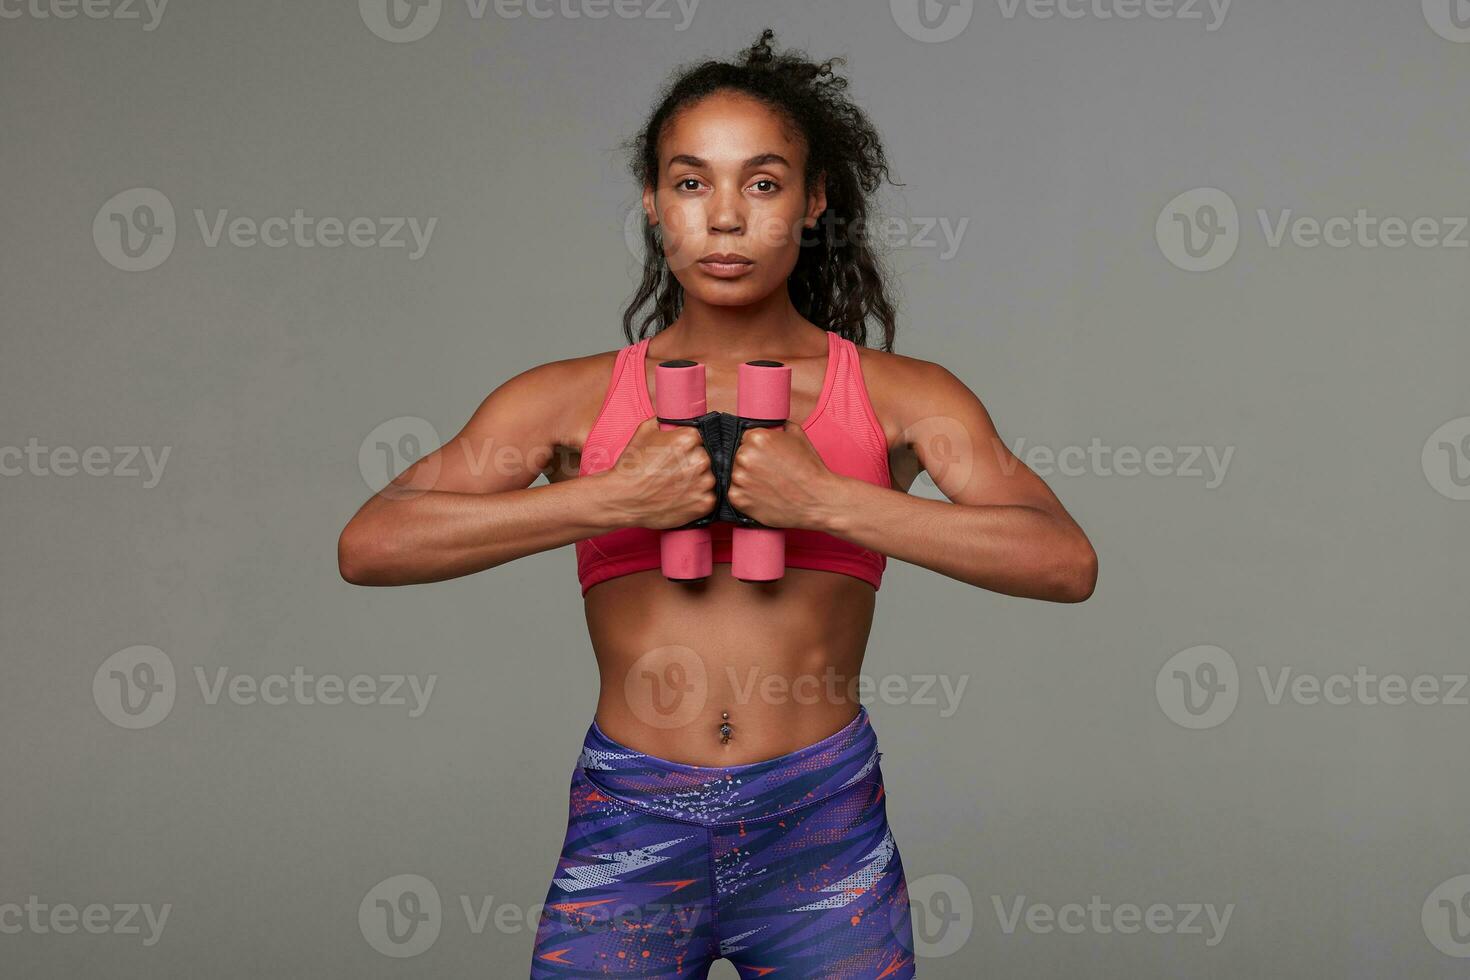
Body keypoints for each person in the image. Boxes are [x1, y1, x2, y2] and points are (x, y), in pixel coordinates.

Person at [338, 27, 1097, 979]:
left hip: (821, 821)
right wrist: (610, 497)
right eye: (692, 183)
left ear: (815, 201)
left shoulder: (904, 397)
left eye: (764, 183)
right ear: (654, 205)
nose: (726, 218)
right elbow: (372, 542)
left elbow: (1064, 562)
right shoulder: (567, 400)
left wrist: (828, 501)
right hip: (633, 817)